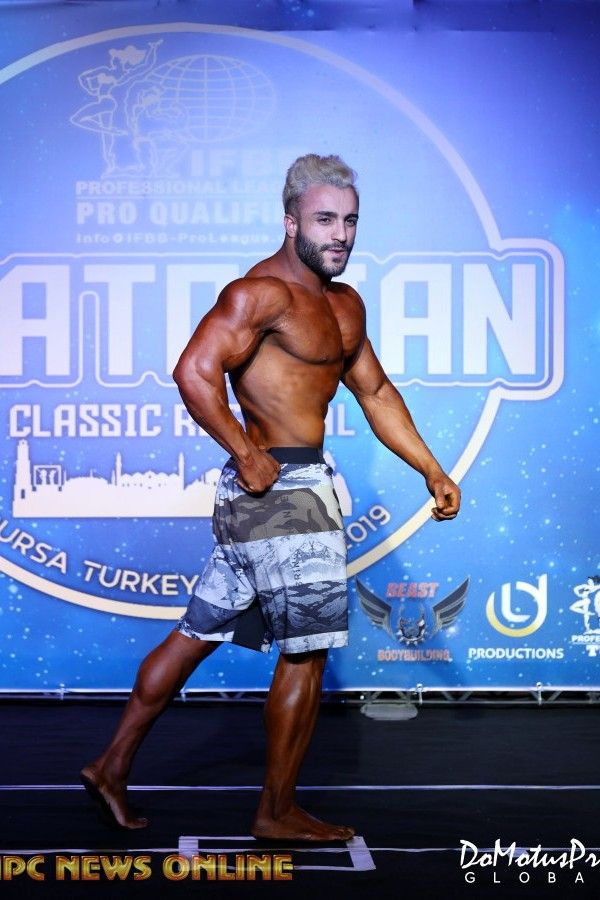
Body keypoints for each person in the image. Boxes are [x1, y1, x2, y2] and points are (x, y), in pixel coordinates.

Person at [80, 153, 461, 842]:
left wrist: (431, 470)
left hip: (282, 494)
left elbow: (375, 393)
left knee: (197, 632)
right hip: (283, 494)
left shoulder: (344, 305)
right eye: (324, 220)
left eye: (349, 221)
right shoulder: (259, 294)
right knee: (306, 653)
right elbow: (194, 372)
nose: (339, 234)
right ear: (290, 223)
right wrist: (247, 452)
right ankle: (277, 811)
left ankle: (110, 766)